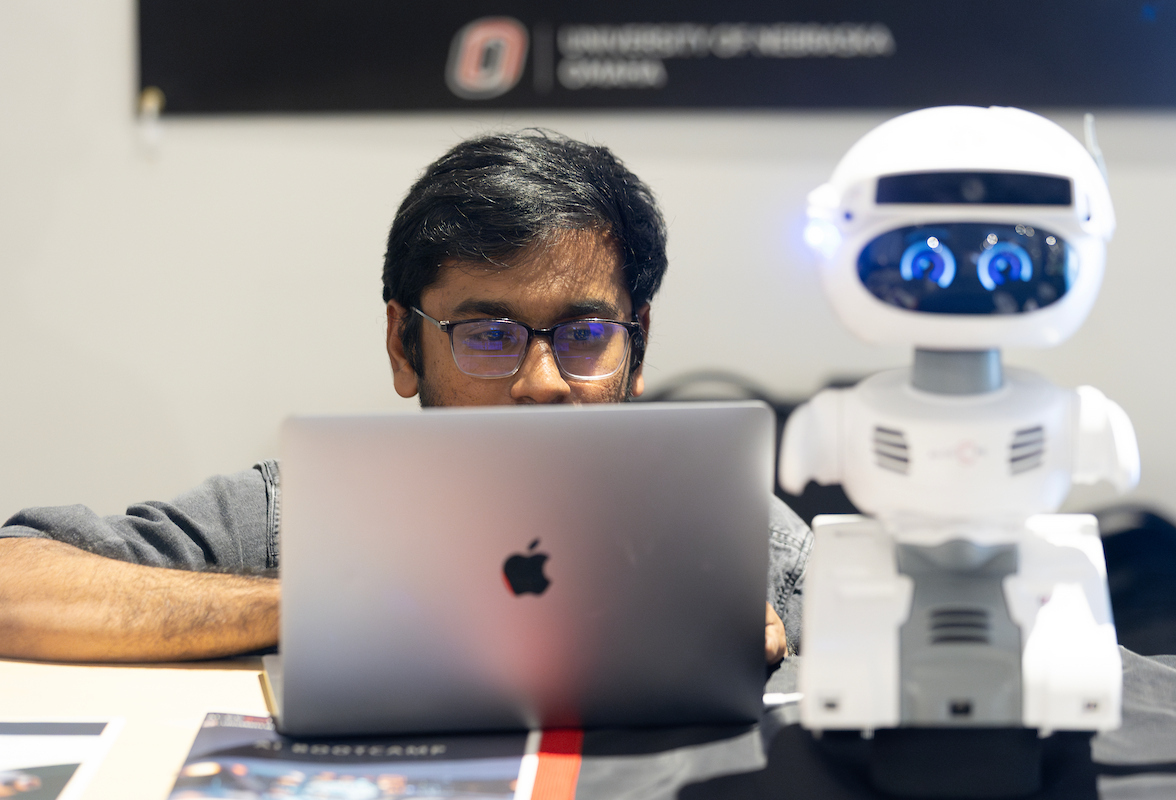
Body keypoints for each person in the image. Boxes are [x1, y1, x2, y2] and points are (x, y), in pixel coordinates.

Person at [0, 131, 811, 664]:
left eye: (585, 333)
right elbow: (15, 581)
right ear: (403, 345)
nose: (541, 383)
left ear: (638, 347)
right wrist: (328, 606)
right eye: (488, 334)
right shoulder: (296, 518)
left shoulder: (742, 540)